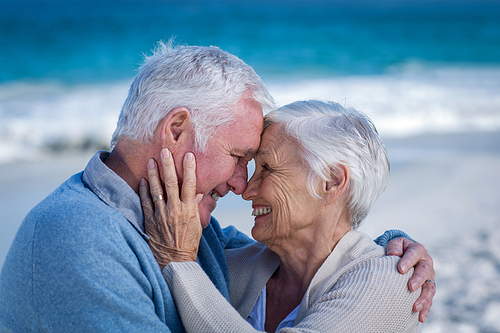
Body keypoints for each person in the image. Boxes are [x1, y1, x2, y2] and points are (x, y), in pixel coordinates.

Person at [0, 42, 434, 332]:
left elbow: (328, 251)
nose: (241, 185)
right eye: (240, 157)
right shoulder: (78, 238)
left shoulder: (188, 230)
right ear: (176, 129)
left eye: (260, 165)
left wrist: (393, 248)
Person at [141, 100, 433, 332]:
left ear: (330, 182)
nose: (247, 189)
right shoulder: (234, 262)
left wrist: (179, 262)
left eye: (267, 168)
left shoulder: (397, 280)